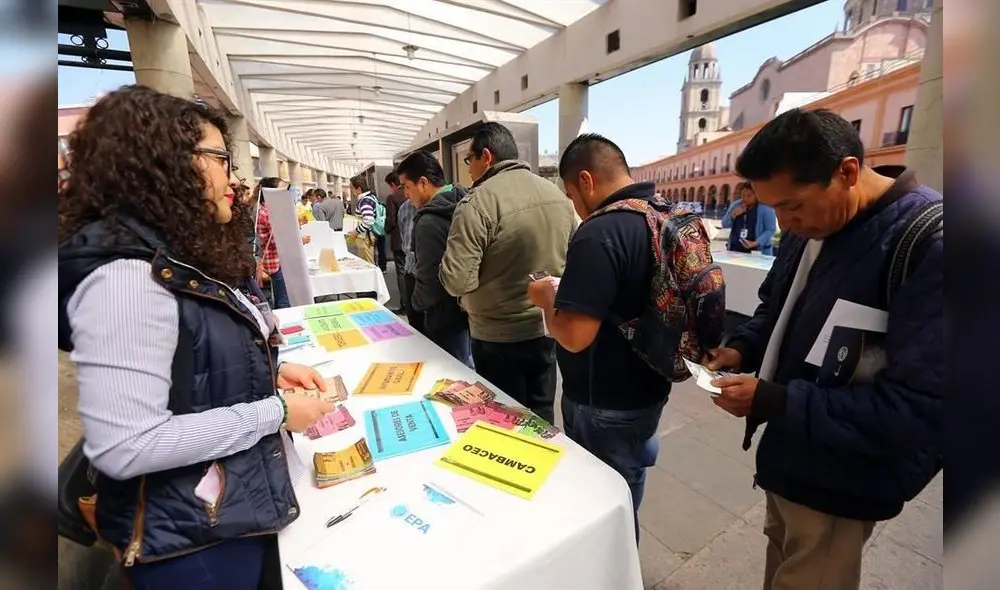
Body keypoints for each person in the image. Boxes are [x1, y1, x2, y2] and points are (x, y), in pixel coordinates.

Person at [56, 85, 335, 588]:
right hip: (189, 542)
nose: (233, 178)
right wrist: (276, 411)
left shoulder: (176, 255)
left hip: (218, 514)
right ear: (165, 164)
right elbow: (127, 445)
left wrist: (270, 371)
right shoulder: (126, 280)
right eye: (221, 159)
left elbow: (190, 366)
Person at [703, 108, 942, 590]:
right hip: (792, 456)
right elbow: (777, 305)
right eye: (776, 210)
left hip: (844, 478)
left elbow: (919, 407)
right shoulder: (812, 227)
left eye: (793, 206)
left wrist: (775, 400)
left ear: (848, 172)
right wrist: (743, 348)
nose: (786, 224)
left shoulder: (932, 243)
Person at [527, 134, 670, 539]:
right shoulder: (660, 215)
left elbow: (573, 336)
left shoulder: (600, 232)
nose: (574, 204)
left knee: (603, 507)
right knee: (628, 488)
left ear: (586, 180)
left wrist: (545, 298)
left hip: (602, 401)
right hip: (649, 386)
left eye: (571, 193)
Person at [439, 122, 576, 423]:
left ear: (486, 157)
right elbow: (576, 262)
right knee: (541, 418)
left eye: (469, 160)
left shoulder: (477, 203)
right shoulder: (557, 197)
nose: (469, 169)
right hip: (546, 328)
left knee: (504, 422)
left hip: (496, 336)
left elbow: (457, 280)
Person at [396, 151, 474, 368]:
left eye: (406, 187)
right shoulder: (467, 201)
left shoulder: (429, 221)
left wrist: (416, 304)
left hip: (443, 314)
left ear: (423, 183)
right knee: (467, 364)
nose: (405, 194)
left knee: (450, 370)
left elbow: (429, 280)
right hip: (470, 306)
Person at [253, 177, 292, 308]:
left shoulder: (263, 209)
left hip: (272, 260)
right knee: (284, 299)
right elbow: (280, 240)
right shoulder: (270, 212)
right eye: (283, 190)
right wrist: (298, 240)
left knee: (281, 295)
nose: (286, 193)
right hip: (276, 262)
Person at [722, 181, 777, 255]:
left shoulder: (766, 208)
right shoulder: (736, 205)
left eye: (749, 195)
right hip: (734, 250)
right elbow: (724, 224)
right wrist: (733, 215)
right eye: (743, 195)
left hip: (757, 251)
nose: (745, 198)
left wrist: (756, 242)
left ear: (757, 195)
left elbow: (770, 230)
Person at [383, 171, 409, 313]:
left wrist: (385, 230)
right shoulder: (410, 193)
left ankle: (405, 305)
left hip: (399, 240)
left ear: (393, 184)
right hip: (413, 240)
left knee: (402, 272)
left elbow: (391, 221)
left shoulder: (392, 197)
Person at [348, 176, 378, 264]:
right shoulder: (371, 197)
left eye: (352, 188)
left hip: (365, 237)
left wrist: (356, 231)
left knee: (368, 264)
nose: (351, 191)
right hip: (368, 236)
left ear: (359, 189)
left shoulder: (364, 201)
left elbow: (368, 220)